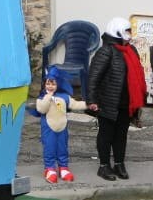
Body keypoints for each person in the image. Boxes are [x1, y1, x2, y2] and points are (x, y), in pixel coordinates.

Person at [85, 17, 146, 181]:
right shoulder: (106, 51)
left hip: (126, 103)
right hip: (108, 102)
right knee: (106, 135)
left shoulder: (131, 50)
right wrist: (92, 100)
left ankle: (119, 164)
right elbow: (93, 78)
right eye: (127, 31)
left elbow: (138, 74)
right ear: (117, 31)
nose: (129, 34)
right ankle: (104, 166)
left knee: (121, 135)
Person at [34, 64, 86, 184]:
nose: (50, 86)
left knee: (63, 148)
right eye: (48, 83)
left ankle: (63, 167)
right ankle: (50, 168)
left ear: (58, 84)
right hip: (49, 129)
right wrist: (49, 96)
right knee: (50, 148)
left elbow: (75, 104)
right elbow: (42, 109)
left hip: (62, 128)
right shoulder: (41, 98)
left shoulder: (64, 97)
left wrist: (89, 104)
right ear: (44, 84)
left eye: (53, 84)